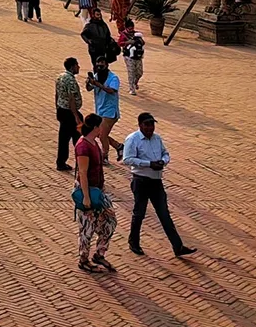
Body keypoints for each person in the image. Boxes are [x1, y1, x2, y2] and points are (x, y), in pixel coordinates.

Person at [123, 113, 195, 258]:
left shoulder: (157, 138)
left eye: (152, 124)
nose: (150, 128)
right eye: (147, 125)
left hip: (156, 182)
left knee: (164, 214)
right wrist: (149, 164)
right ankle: (134, 242)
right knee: (139, 213)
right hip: (141, 181)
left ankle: (177, 246)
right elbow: (127, 159)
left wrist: (163, 161)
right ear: (140, 125)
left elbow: (165, 153)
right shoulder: (132, 139)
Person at [75, 114, 119, 273]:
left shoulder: (94, 142)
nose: (102, 129)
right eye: (100, 126)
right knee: (87, 227)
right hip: (87, 190)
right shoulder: (83, 146)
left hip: (98, 190)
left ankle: (99, 253)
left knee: (110, 221)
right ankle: (83, 259)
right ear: (95, 128)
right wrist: (86, 197)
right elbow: (83, 172)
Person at [86, 57, 124, 162]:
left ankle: (104, 156)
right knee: (100, 134)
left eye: (101, 65)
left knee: (102, 135)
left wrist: (98, 84)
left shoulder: (113, 78)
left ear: (107, 65)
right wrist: (89, 82)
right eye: (97, 65)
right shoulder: (96, 76)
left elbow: (111, 90)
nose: (99, 67)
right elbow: (89, 89)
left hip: (110, 112)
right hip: (100, 110)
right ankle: (118, 146)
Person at [55, 57, 84, 172]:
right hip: (70, 113)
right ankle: (80, 162)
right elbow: (72, 99)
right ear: (72, 67)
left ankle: (61, 162)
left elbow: (56, 93)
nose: (78, 67)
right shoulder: (71, 81)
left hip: (61, 109)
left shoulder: (60, 77)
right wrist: (76, 116)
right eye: (77, 65)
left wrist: (57, 107)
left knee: (63, 138)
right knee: (78, 138)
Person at [121, 22, 145, 94]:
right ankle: (132, 89)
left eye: (132, 28)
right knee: (131, 72)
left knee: (139, 72)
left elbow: (142, 43)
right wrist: (127, 42)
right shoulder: (123, 35)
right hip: (128, 56)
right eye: (129, 28)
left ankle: (135, 82)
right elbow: (119, 43)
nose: (131, 30)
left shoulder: (137, 35)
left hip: (138, 56)